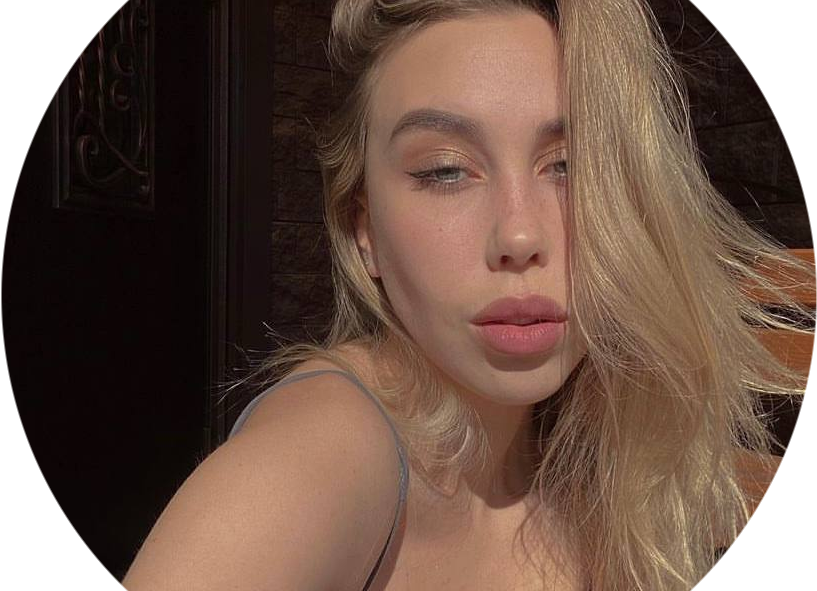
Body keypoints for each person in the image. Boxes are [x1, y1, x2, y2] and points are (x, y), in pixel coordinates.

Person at [121, 1, 814, 589]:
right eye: (445, 170)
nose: (519, 234)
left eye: (569, 166)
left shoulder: (606, 447)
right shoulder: (327, 448)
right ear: (364, 230)